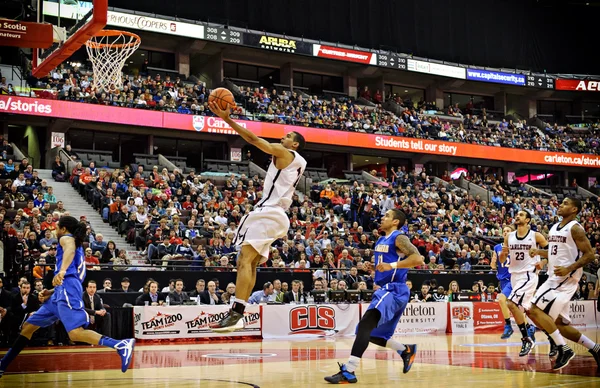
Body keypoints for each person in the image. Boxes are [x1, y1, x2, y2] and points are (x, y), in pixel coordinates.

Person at [207, 99, 307, 332]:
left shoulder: (285, 152)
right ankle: (239, 311)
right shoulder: (297, 161)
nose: (283, 137)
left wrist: (227, 119)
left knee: (244, 259)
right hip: (276, 215)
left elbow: (253, 140)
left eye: (288, 135)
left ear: (295, 144)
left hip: (269, 213)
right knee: (248, 262)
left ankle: (236, 314)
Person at [0, 216, 135, 377]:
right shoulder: (74, 244)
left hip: (68, 288)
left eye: (57, 227)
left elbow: (69, 255)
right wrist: (51, 291)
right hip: (61, 291)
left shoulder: (67, 238)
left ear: (64, 229)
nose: (55, 230)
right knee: (28, 327)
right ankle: (3, 365)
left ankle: (120, 345)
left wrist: (62, 271)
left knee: (75, 333)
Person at [324, 209, 424, 384]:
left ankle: (349, 371)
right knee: (368, 333)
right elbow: (384, 266)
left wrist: (392, 265)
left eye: (387, 216)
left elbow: (418, 259)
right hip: (386, 289)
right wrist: (374, 268)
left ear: (395, 222)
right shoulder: (380, 239)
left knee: (365, 326)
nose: (382, 217)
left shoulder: (399, 237)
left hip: (394, 290)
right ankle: (405, 350)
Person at [527, 197, 600, 371]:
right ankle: (595, 348)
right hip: (555, 277)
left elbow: (590, 255)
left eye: (566, 203)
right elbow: (554, 254)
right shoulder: (554, 227)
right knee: (559, 323)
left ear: (575, 210)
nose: (561, 205)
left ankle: (563, 349)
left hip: (564, 279)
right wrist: (539, 252)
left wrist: (569, 268)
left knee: (533, 309)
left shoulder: (575, 228)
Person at [499, 210, 548, 357]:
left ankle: (526, 339)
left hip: (528, 275)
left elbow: (551, 251)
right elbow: (502, 260)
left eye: (521, 215)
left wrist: (543, 261)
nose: (517, 216)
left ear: (527, 220)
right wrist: (503, 254)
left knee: (510, 303)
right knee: (529, 311)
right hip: (514, 276)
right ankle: (552, 337)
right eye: (517, 214)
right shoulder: (509, 237)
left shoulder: (536, 236)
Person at [492, 226, 514, 339]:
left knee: (501, 299)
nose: (505, 232)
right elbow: (492, 264)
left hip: (513, 279)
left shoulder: (516, 246)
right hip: (502, 280)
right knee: (515, 307)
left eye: (508, 231)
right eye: (504, 231)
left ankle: (508, 325)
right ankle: (528, 329)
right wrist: (494, 262)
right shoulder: (497, 247)